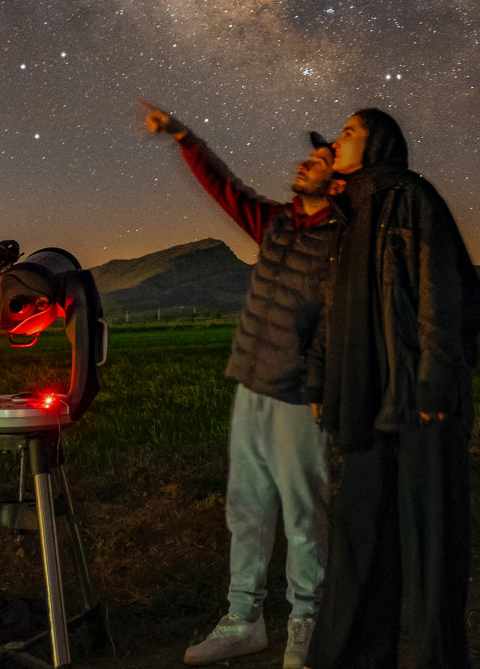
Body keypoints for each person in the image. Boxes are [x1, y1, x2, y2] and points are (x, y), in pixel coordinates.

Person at [142, 102, 342, 669]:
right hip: (250, 384)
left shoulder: (343, 241)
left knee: (304, 513)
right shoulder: (277, 221)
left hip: (299, 394)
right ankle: (243, 620)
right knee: (247, 509)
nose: (305, 163)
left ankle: (306, 625)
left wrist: (322, 383)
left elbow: (336, 321)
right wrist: (184, 136)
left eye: (320, 159)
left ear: (340, 177)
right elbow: (224, 187)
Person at [304, 108, 480, 669]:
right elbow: (331, 306)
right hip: (366, 398)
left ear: (378, 143)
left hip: (419, 397)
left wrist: (436, 378)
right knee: (360, 538)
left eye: (348, 132)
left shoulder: (413, 199)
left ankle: (435, 659)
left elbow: (440, 288)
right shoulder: (348, 214)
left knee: (430, 542)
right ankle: (354, 656)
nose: (336, 140)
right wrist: (320, 375)